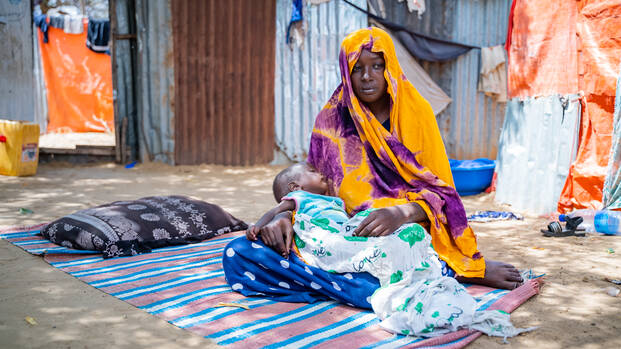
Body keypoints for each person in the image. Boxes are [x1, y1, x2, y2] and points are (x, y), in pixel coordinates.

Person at [223, 28, 522, 306]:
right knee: (237, 254)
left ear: (389, 65)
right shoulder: (331, 119)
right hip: (339, 234)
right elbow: (312, 187)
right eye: (357, 68)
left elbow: (444, 196)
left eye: (377, 66)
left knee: (391, 260)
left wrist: (402, 213)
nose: (367, 76)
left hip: (401, 235)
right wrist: (286, 217)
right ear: (345, 71)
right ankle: (384, 285)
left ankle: (436, 271)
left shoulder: (416, 114)